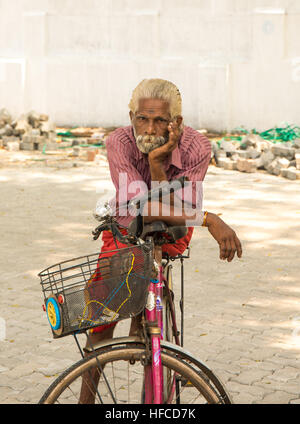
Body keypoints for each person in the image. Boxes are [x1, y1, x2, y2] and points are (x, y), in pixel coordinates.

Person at [79, 78, 242, 403]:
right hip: (127, 223)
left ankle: (148, 315)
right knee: (104, 309)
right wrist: (210, 218)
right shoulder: (119, 142)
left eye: (160, 120)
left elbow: (178, 208)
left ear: (176, 122)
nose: (149, 127)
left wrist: (156, 163)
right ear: (131, 116)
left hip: (176, 225)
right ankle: (85, 397)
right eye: (142, 118)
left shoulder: (198, 147)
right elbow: (140, 207)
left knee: (153, 255)